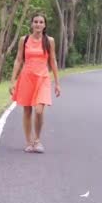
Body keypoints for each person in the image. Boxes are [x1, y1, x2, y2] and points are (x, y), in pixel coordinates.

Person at [10, 13, 61, 153]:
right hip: (27, 77)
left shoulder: (49, 41)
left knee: (38, 110)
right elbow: (19, 60)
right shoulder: (24, 40)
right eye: (36, 22)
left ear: (45, 25)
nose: (38, 24)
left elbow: (53, 61)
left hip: (43, 78)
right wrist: (12, 81)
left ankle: (37, 140)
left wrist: (57, 83)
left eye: (41, 22)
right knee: (27, 110)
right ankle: (29, 142)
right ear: (32, 24)